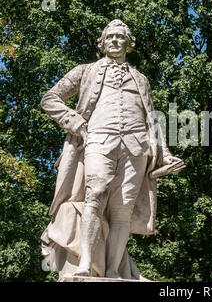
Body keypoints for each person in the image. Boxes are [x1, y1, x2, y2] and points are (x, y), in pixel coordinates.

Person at [40, 19, 181, 280]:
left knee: (122, 210)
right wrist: (77, 123)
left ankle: (114, 271)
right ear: (103, 43)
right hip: (98, 139)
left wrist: (165, 154)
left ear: (129, 44)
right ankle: (85, 263)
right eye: (110, 37)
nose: (115, 40)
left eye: (120, 37)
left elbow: (152, 119)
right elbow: (50, 98)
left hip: (136, 147)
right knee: (96, 193)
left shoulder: (141, 79)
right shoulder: (84, 71)